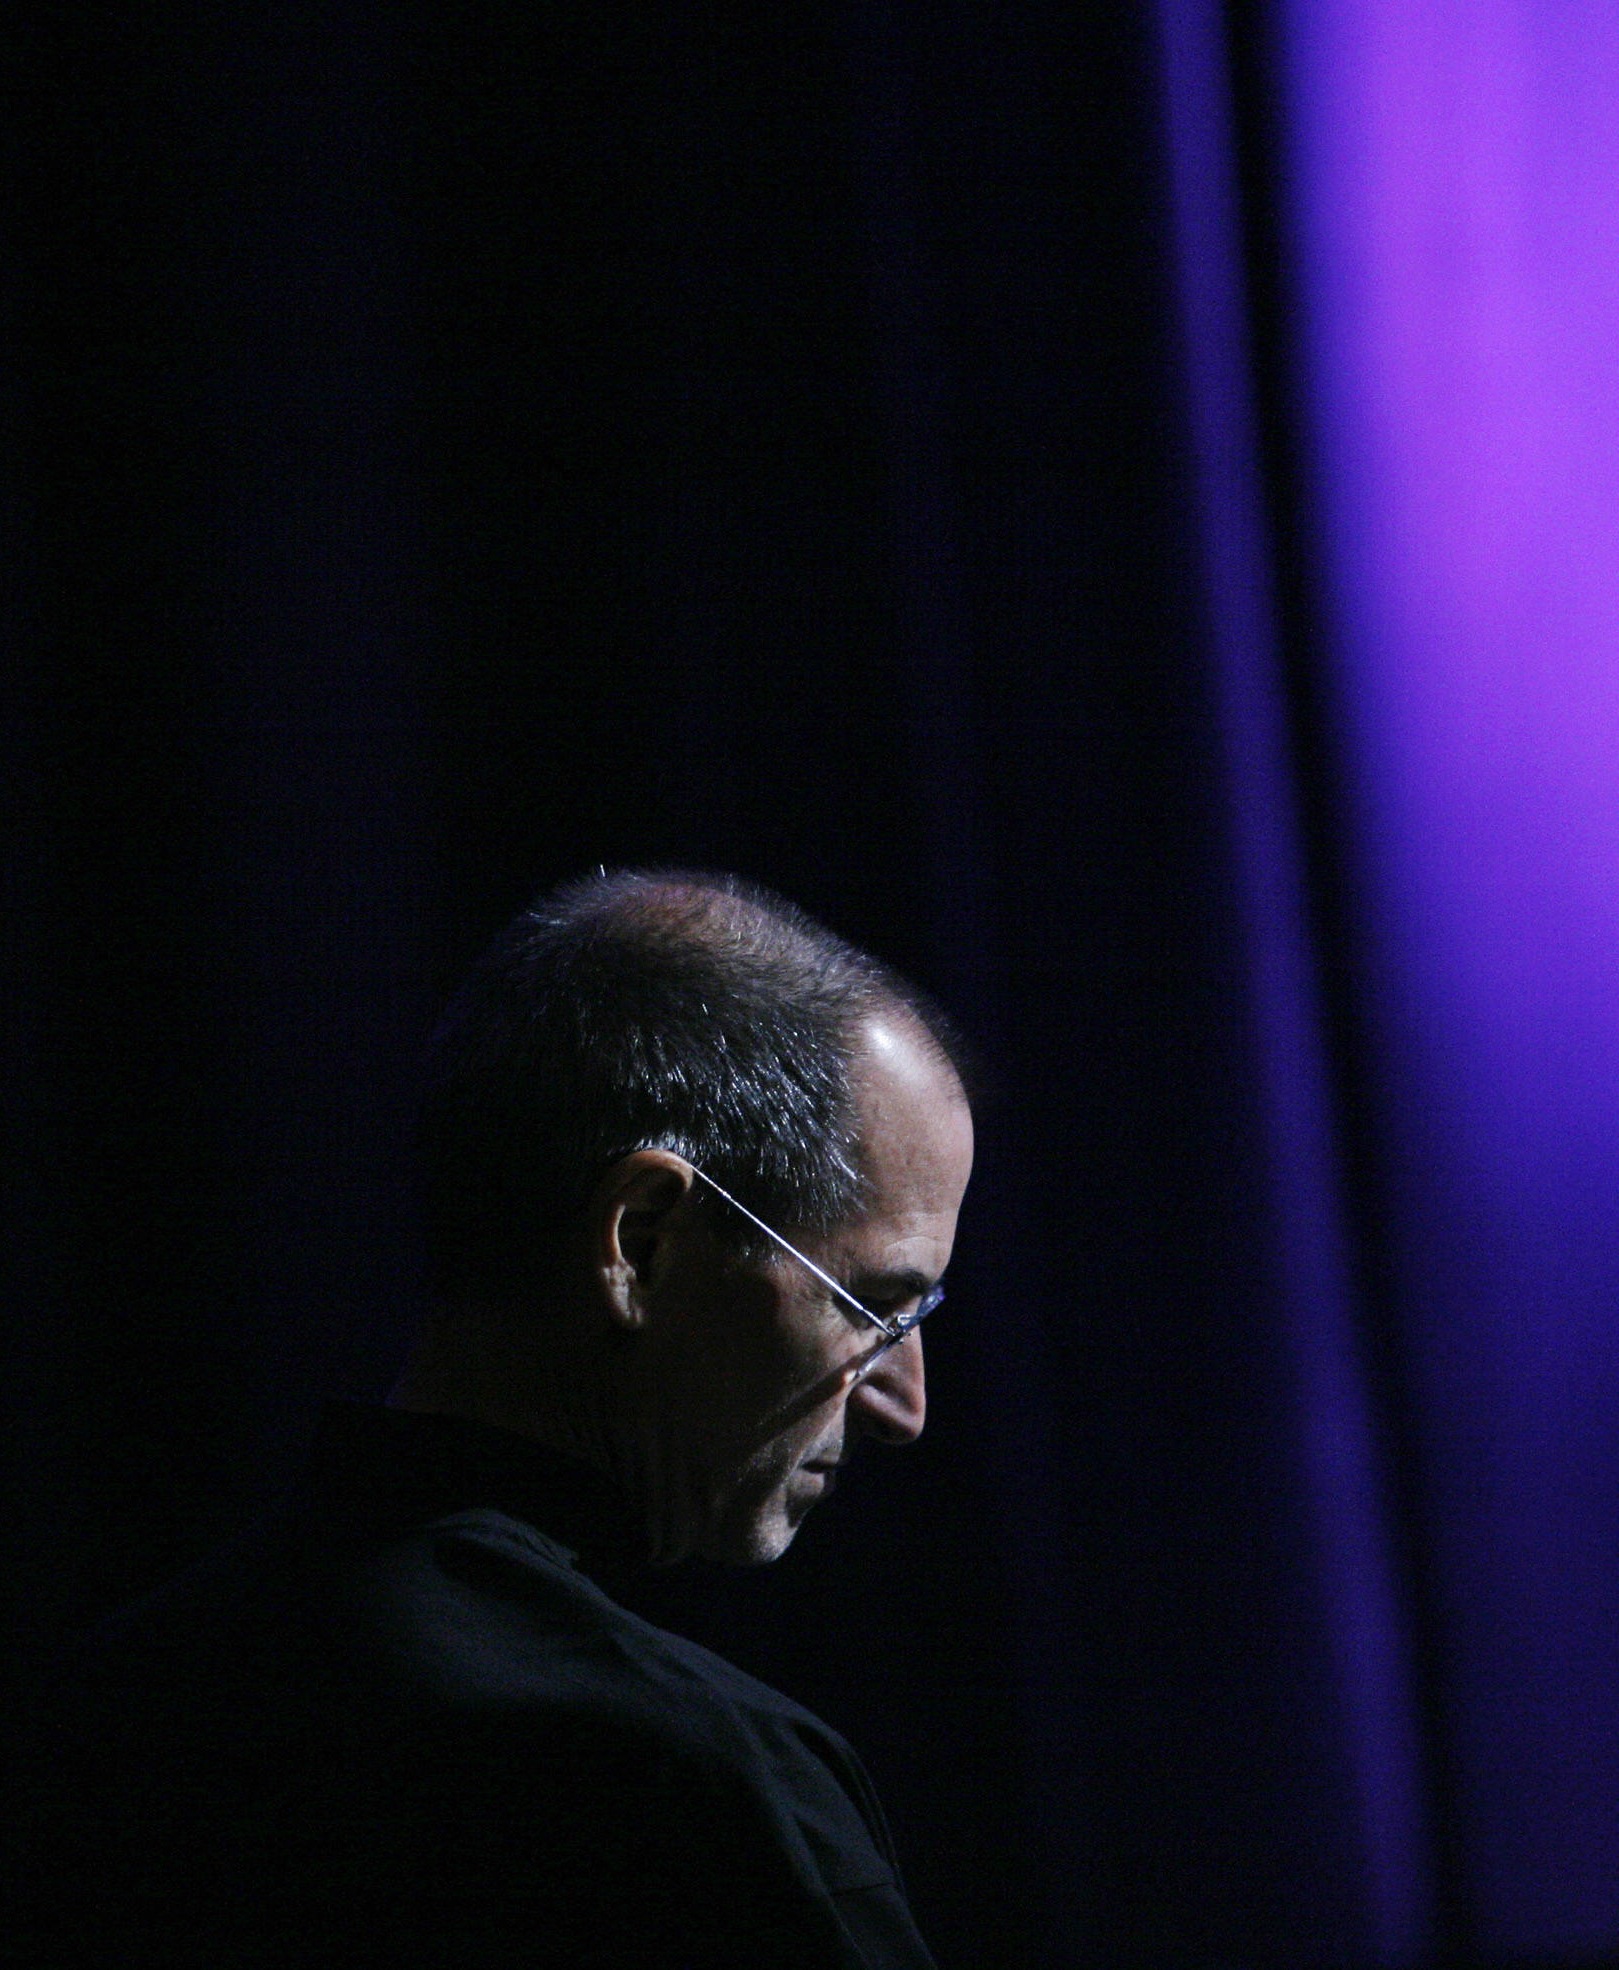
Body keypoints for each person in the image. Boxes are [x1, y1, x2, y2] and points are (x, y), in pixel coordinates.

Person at [16, 869, 974, 1967]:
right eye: (873, 1306)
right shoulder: (690, 1788)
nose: (904, 1405)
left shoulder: (103, 1717)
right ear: (641, 1242)